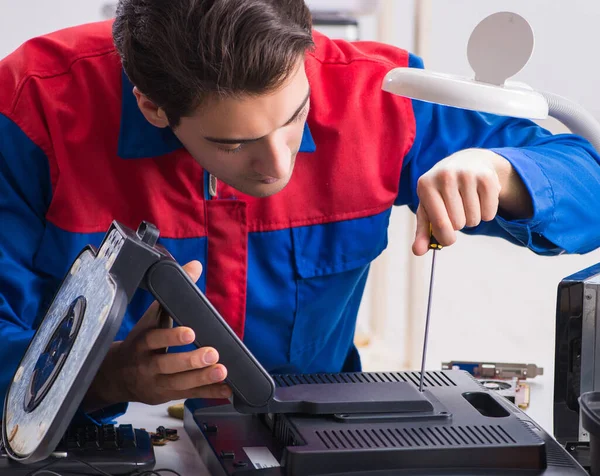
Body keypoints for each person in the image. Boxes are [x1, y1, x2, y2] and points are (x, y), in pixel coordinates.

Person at [0, 0, 599, 424]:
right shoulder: (35, 107)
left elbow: (588, 180)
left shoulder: (380, 93)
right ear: (152, 106)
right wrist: (106, 374)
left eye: (294, 117)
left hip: (318, 438)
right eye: (232, 144)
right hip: (93, 443)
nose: (277, 165)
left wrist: (505, 174)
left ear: (306, 43)